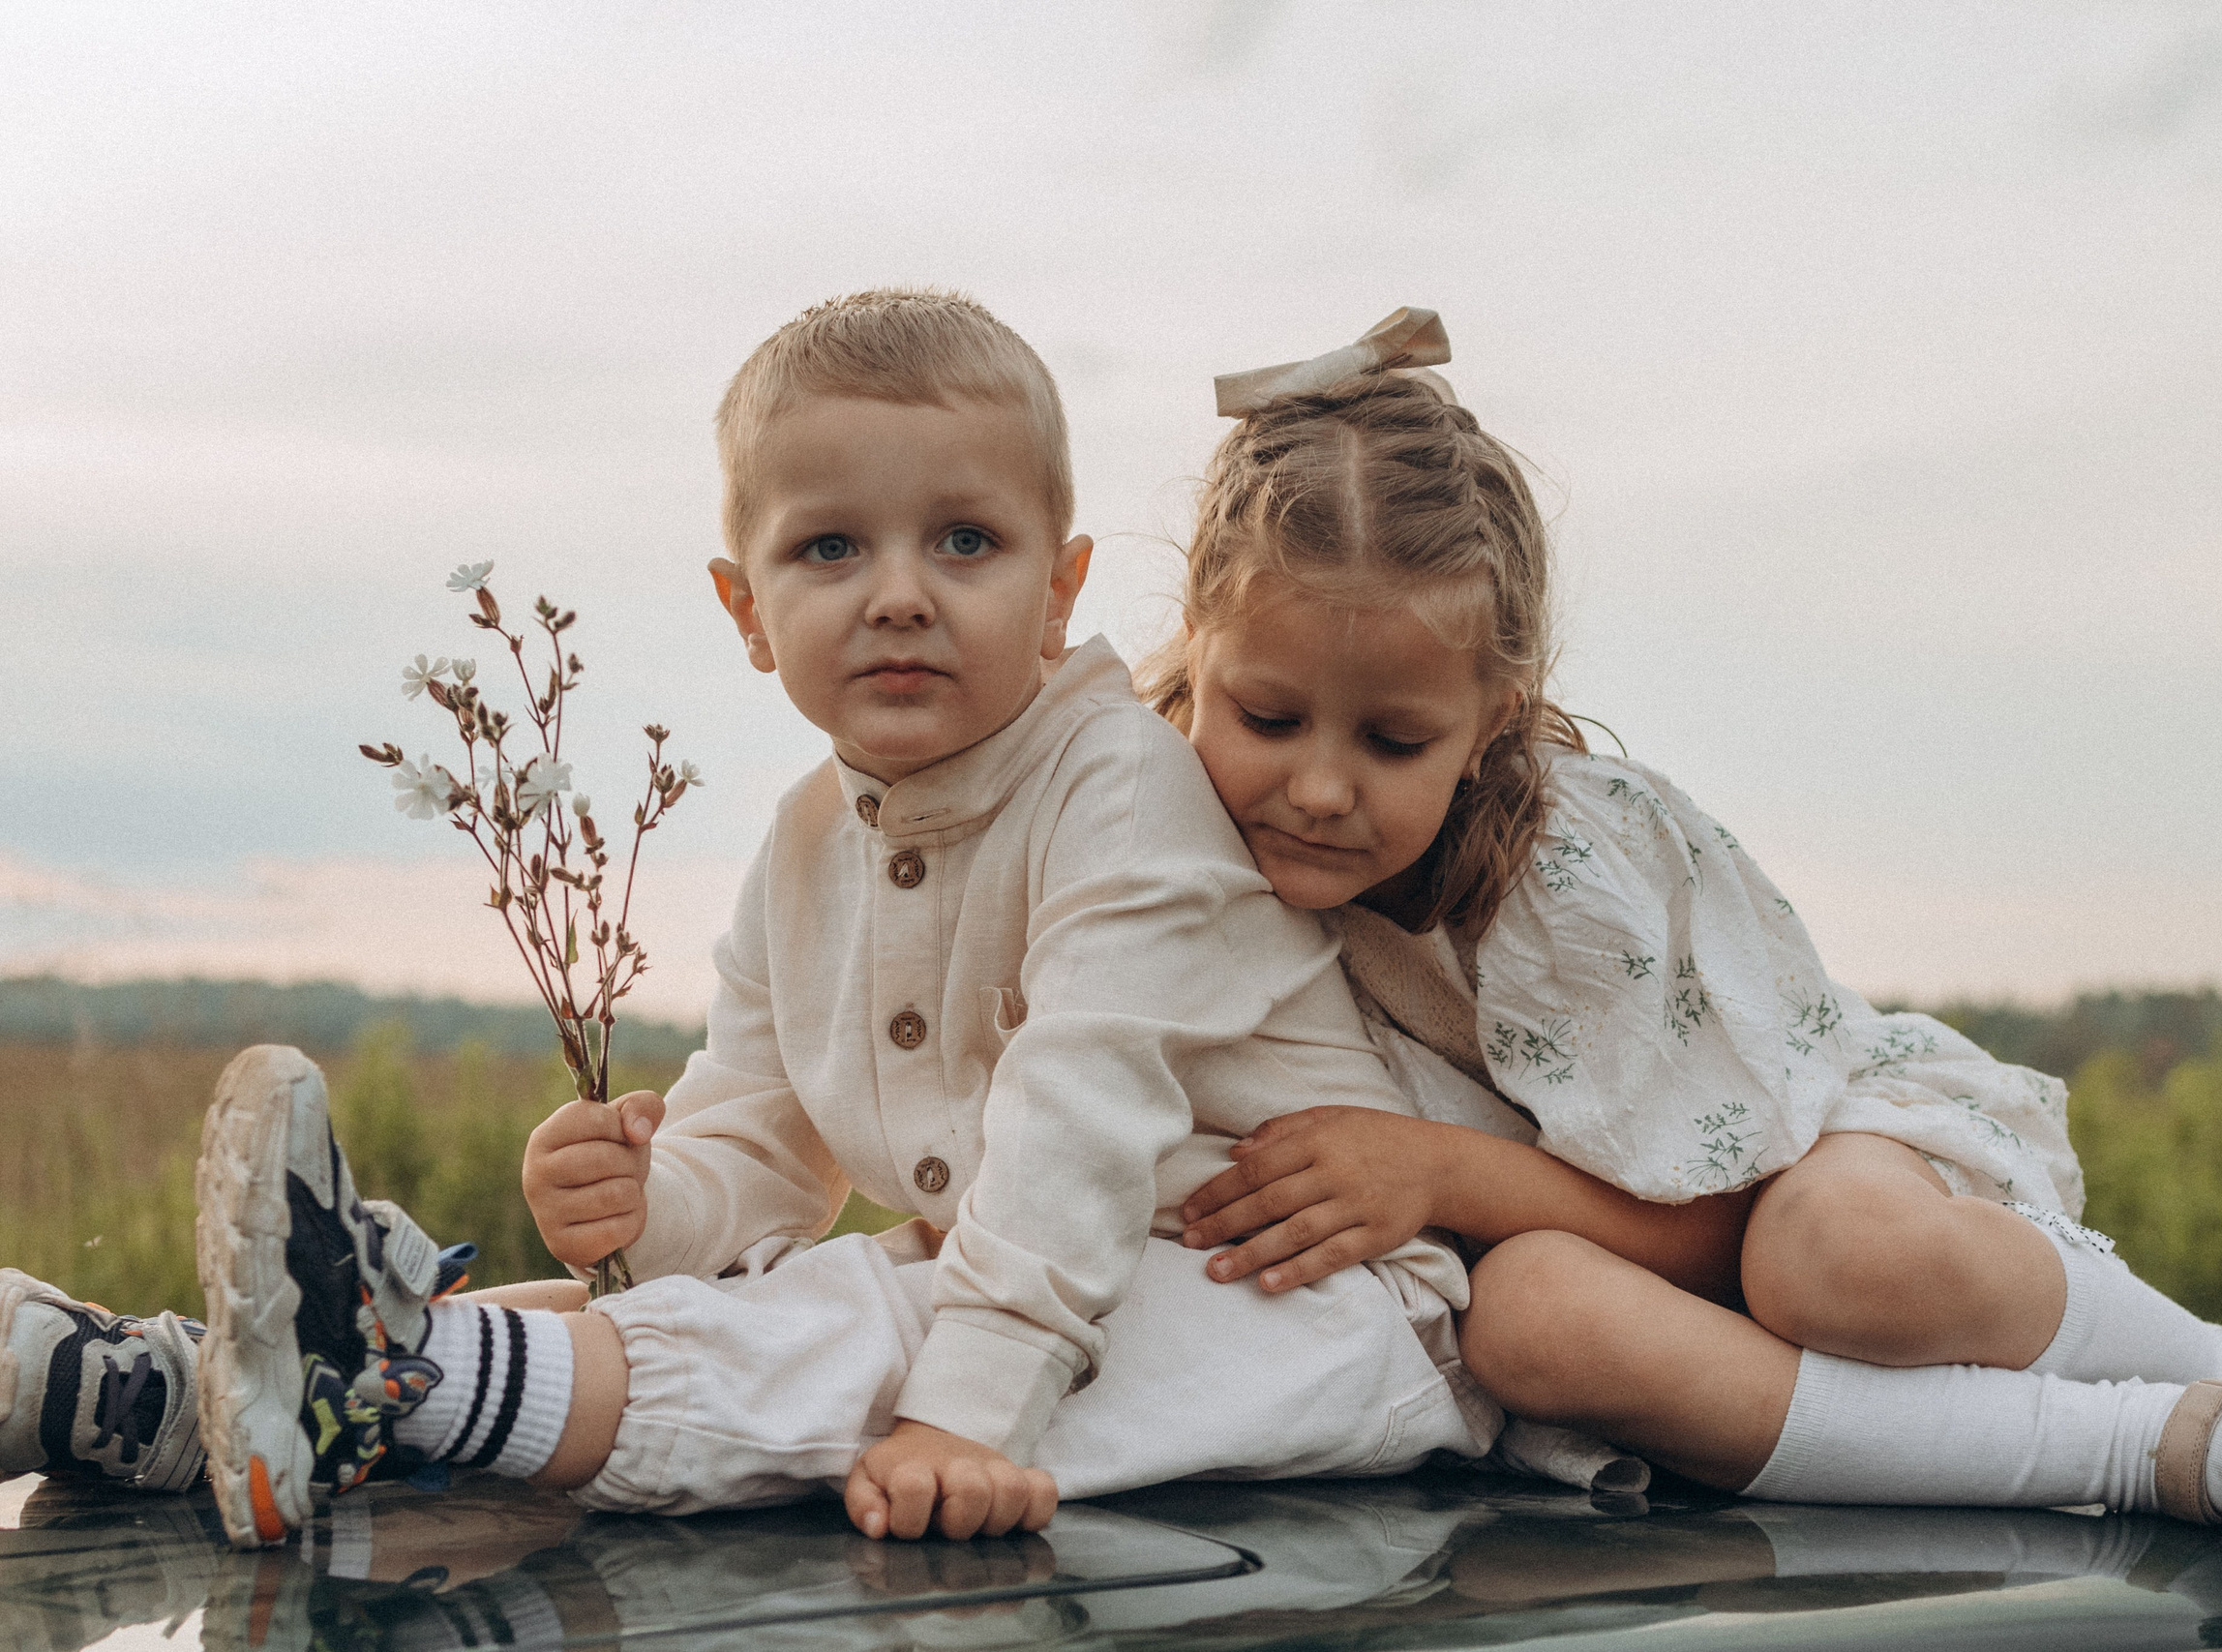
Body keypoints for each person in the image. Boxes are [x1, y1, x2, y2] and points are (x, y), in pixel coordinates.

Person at [1145, 309, 2222, 1604]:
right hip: (1594, 1273)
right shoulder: (1136, 845)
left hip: (1804, 1167)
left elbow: (1718, 1226)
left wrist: (1436, 1169)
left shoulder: (1560, 876)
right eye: (1268, 716)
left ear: (1491, 721)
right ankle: (2161, 1449)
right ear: (1196, 656)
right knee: (1532, 1320)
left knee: (1827, 1257)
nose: (1320, 787)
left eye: (1392, 744)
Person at [169, 288, 1494, 1549]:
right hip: (1068, 1281)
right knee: (687, 1305)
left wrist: (967, 1418)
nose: (901, 593)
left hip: (1310, 1311)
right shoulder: (809, 839)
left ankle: (383, 1384)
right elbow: (757, 1133)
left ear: (1060, 592)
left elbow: (1079, 1124)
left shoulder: (1122, 787)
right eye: (830, 547)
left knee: (860, 1330)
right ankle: (181, 1389)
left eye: (965, 541)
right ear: (748, 609)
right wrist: (643, 1202)